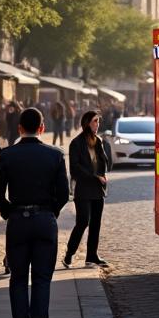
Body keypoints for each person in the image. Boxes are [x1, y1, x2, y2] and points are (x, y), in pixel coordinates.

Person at [0, 107, 69, 318]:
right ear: (42, 128)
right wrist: (50, 212)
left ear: (19, 129)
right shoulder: (55, 156)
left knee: (19, 279)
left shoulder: (8, 155)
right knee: (43, 279)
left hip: (18, 222)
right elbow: (64, 194)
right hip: (45, 220)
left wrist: (9, 211)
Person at [64, 111, 112, 268]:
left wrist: (103, 174)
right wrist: (94, 176)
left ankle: (92, 256)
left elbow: (104, 164)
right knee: (83, 221)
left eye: (98, 122)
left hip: (98, 189)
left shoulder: (98, 141)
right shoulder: (76, 143)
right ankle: (69, 254)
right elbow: (75, 168)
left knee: (96, 223)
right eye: (94, 122)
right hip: (84, 189)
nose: (97, 125)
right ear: (86, 123)